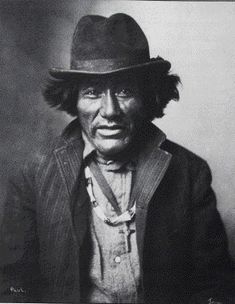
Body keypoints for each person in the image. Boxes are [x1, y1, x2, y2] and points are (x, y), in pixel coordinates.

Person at [0, 13, 234, 304]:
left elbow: (214, 285)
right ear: (74, 99)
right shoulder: (34, 175)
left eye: (124, 91)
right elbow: (12, 284)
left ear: (148, 96)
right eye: (92, 92)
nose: (109, 110)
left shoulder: (189, 173)